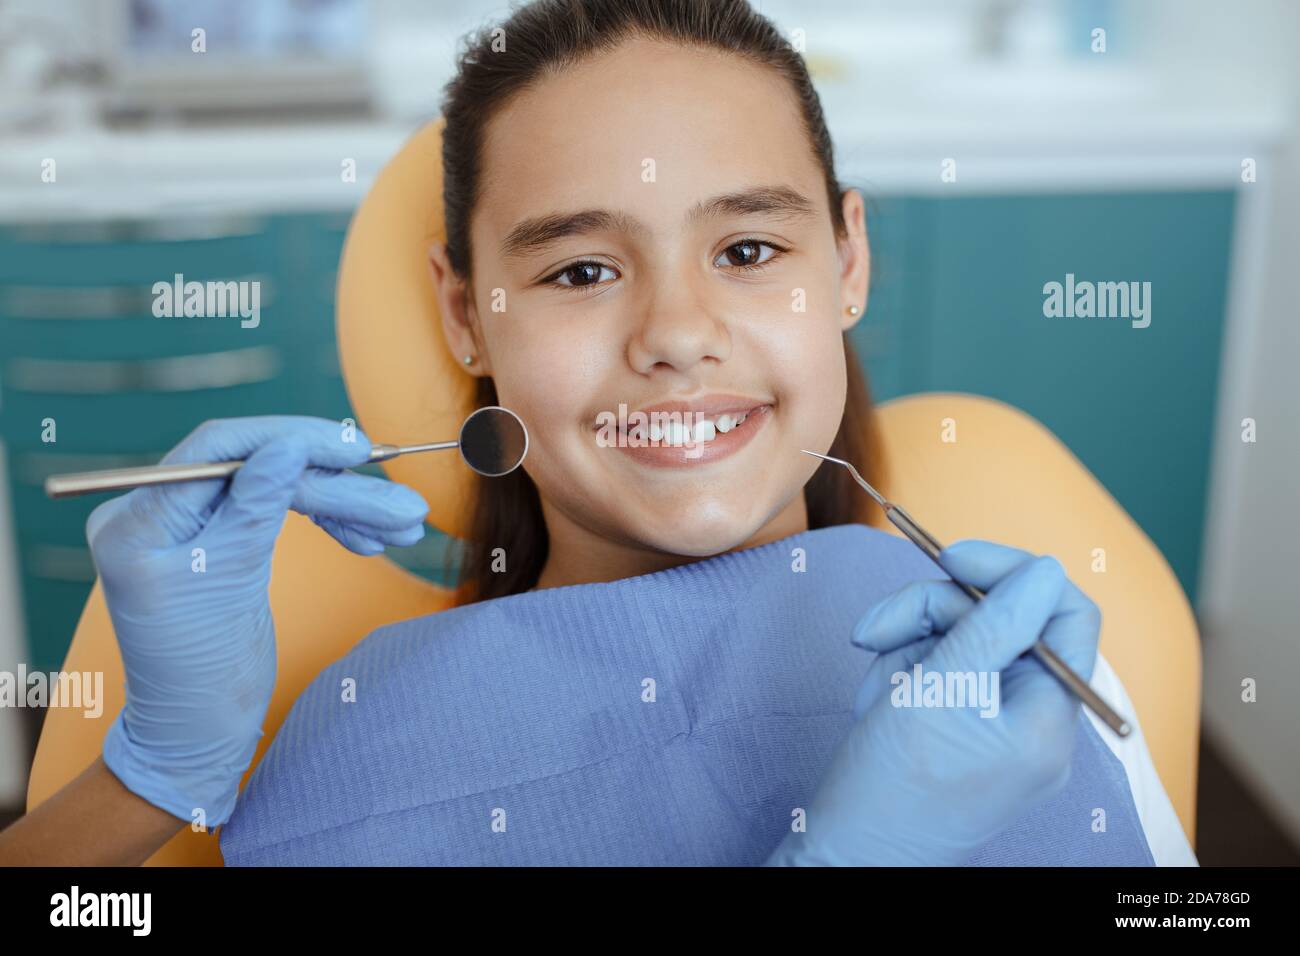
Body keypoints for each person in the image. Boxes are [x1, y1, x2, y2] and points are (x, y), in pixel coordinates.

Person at [0, 0, 1194, 867]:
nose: (677, 332)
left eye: (746, 249)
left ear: (848, 262)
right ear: (468, 313)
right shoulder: (359, 753)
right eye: (579, 268)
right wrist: (145, 781)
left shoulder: (1036, 695)